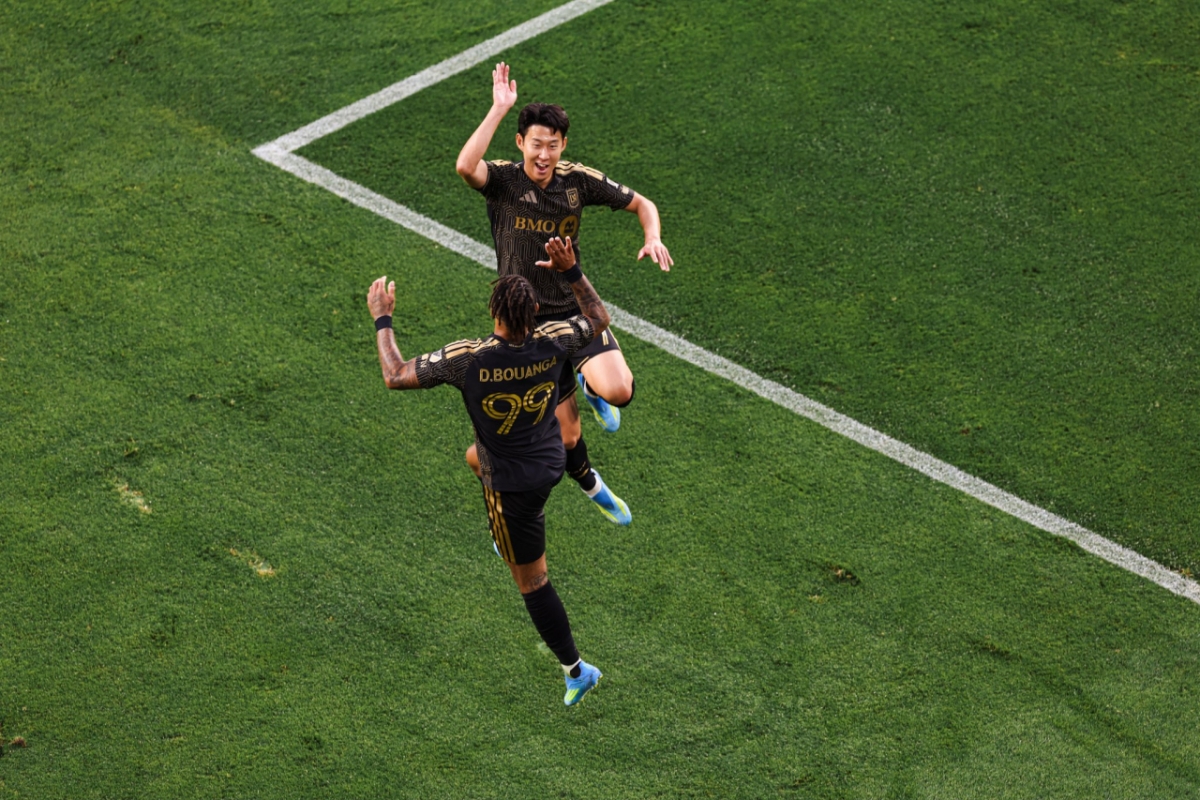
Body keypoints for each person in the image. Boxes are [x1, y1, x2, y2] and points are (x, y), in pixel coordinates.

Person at [367, 236, 608, 706]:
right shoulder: (554, 339)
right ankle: (517, 531)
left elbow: (395, 374)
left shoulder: (470, 358)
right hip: (548, 460)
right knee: (473, 455)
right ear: (535, 311)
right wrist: (572, 270)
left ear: (494, 314)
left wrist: (382, 318)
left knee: (531, 581)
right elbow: (599, 319)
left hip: (513, 486)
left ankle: (576, 671)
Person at [455, 62, 675, 526]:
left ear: (563, 147)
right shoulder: (504, 182)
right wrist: (498, 109)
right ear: (520, 143)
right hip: (528, 327)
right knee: (567, 437)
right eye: (536, 145)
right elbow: (464, 166)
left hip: (575, 310)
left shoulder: (576, 180)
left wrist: (651, 235)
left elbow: (642, 203)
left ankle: (591, 384)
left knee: (620, 391)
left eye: (552, 146)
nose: (544, 155)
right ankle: (592, 482)